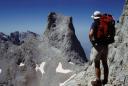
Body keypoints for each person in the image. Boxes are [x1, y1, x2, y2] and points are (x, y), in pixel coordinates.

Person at [89, 11, 109, 86]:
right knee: (105, 63)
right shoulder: (106, 22)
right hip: (106, 46)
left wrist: (92, 42)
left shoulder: (94, 23)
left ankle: (98, 82)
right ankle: (105, 80)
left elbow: (90, 34)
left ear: (94, 18)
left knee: (97, 64)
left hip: (98, 46)